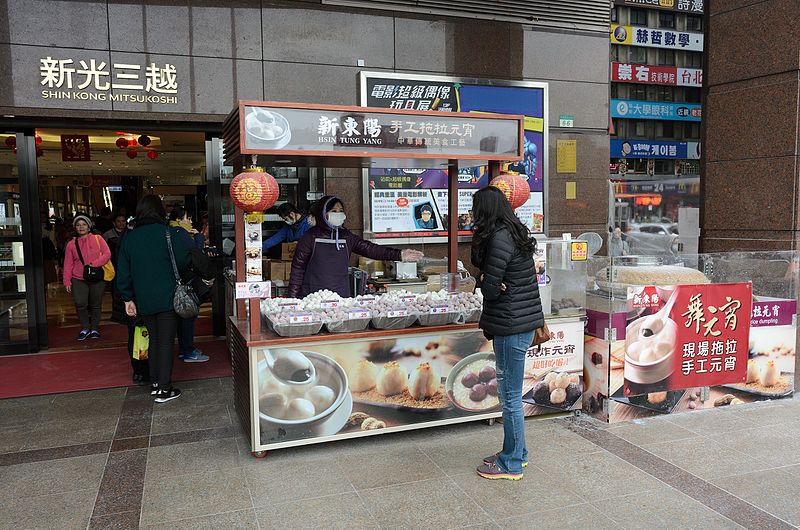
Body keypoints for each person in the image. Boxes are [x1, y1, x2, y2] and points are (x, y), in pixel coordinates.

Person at [470, 186, 545, 481]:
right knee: (512, 396)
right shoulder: (512, 232)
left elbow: (490, 288)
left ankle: (511, 463)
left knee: (511, 398)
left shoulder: (500, 237)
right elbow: (488, 274)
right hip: (519, 323)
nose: (473, 214)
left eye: (477, 209)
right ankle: (518, 453)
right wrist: (487, 277)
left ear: (485, 210)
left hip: (510, 326)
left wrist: (487, 280)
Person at [117, 195, 190, 403]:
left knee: (154, 340)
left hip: (143, 298)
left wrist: (127, 298)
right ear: (160, 211)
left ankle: (156, 383)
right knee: (166, 342)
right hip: (168, 296)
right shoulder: (169, 234)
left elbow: (123, 271)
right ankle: (165, 389)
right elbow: (184, 261)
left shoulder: (130, 237)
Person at [289, 195, 423, 298]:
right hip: (313, 296)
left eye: (341, 210)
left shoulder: (346, 236)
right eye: (334, 210)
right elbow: (297, 269)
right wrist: (293, 299)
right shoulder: (310, 237)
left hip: (341, 296)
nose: (338, 213)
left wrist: (399, 255)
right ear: (323, 214)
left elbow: (371, 249)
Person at [168, 205, 209, 363]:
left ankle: (185, 349)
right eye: (188, 218)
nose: (191, 221)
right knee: (188, 314)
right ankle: (188, 351)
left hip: (174, 279)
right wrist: (199, 237)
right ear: (178, 220)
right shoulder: (181, 233)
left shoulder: (169, 232)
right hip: (185, 281)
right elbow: (196, 254)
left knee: (181, 316)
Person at [110, 223, 149, 385]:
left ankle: (139, 370)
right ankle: (143, 370)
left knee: (134, 334)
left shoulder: (122, 244)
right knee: (142, 334)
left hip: (125, 299)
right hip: (135, 298)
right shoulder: (136, 247)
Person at [63, 214, 111, 341]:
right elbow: (68, 263)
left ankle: (94, 328)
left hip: (96, 276)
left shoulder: (98, 238)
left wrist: (93, 265)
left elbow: (107, 254)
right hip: (78, 278)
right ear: (75, 228)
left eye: (84, 224)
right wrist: (66, 280)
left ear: (89, 226)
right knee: (80, 303)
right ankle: (85, 327)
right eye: (78, 225)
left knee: (96, 304)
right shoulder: (71, 244)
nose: (81, 227)